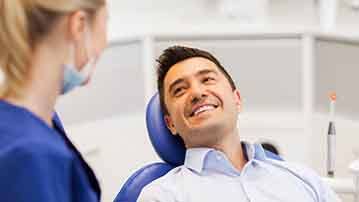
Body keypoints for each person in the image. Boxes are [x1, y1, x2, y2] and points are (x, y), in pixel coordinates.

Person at [138, 46, 341, 202]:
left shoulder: (302, 178)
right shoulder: (161, 196)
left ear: (237, 99)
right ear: (170, 123)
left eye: (207, 79)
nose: (197, 93)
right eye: (180, 90)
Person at [0, 0, 108, 201]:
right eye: (105, 22)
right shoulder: (31, 155)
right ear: (79, 26)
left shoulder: (33, 124)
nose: (104, 44)